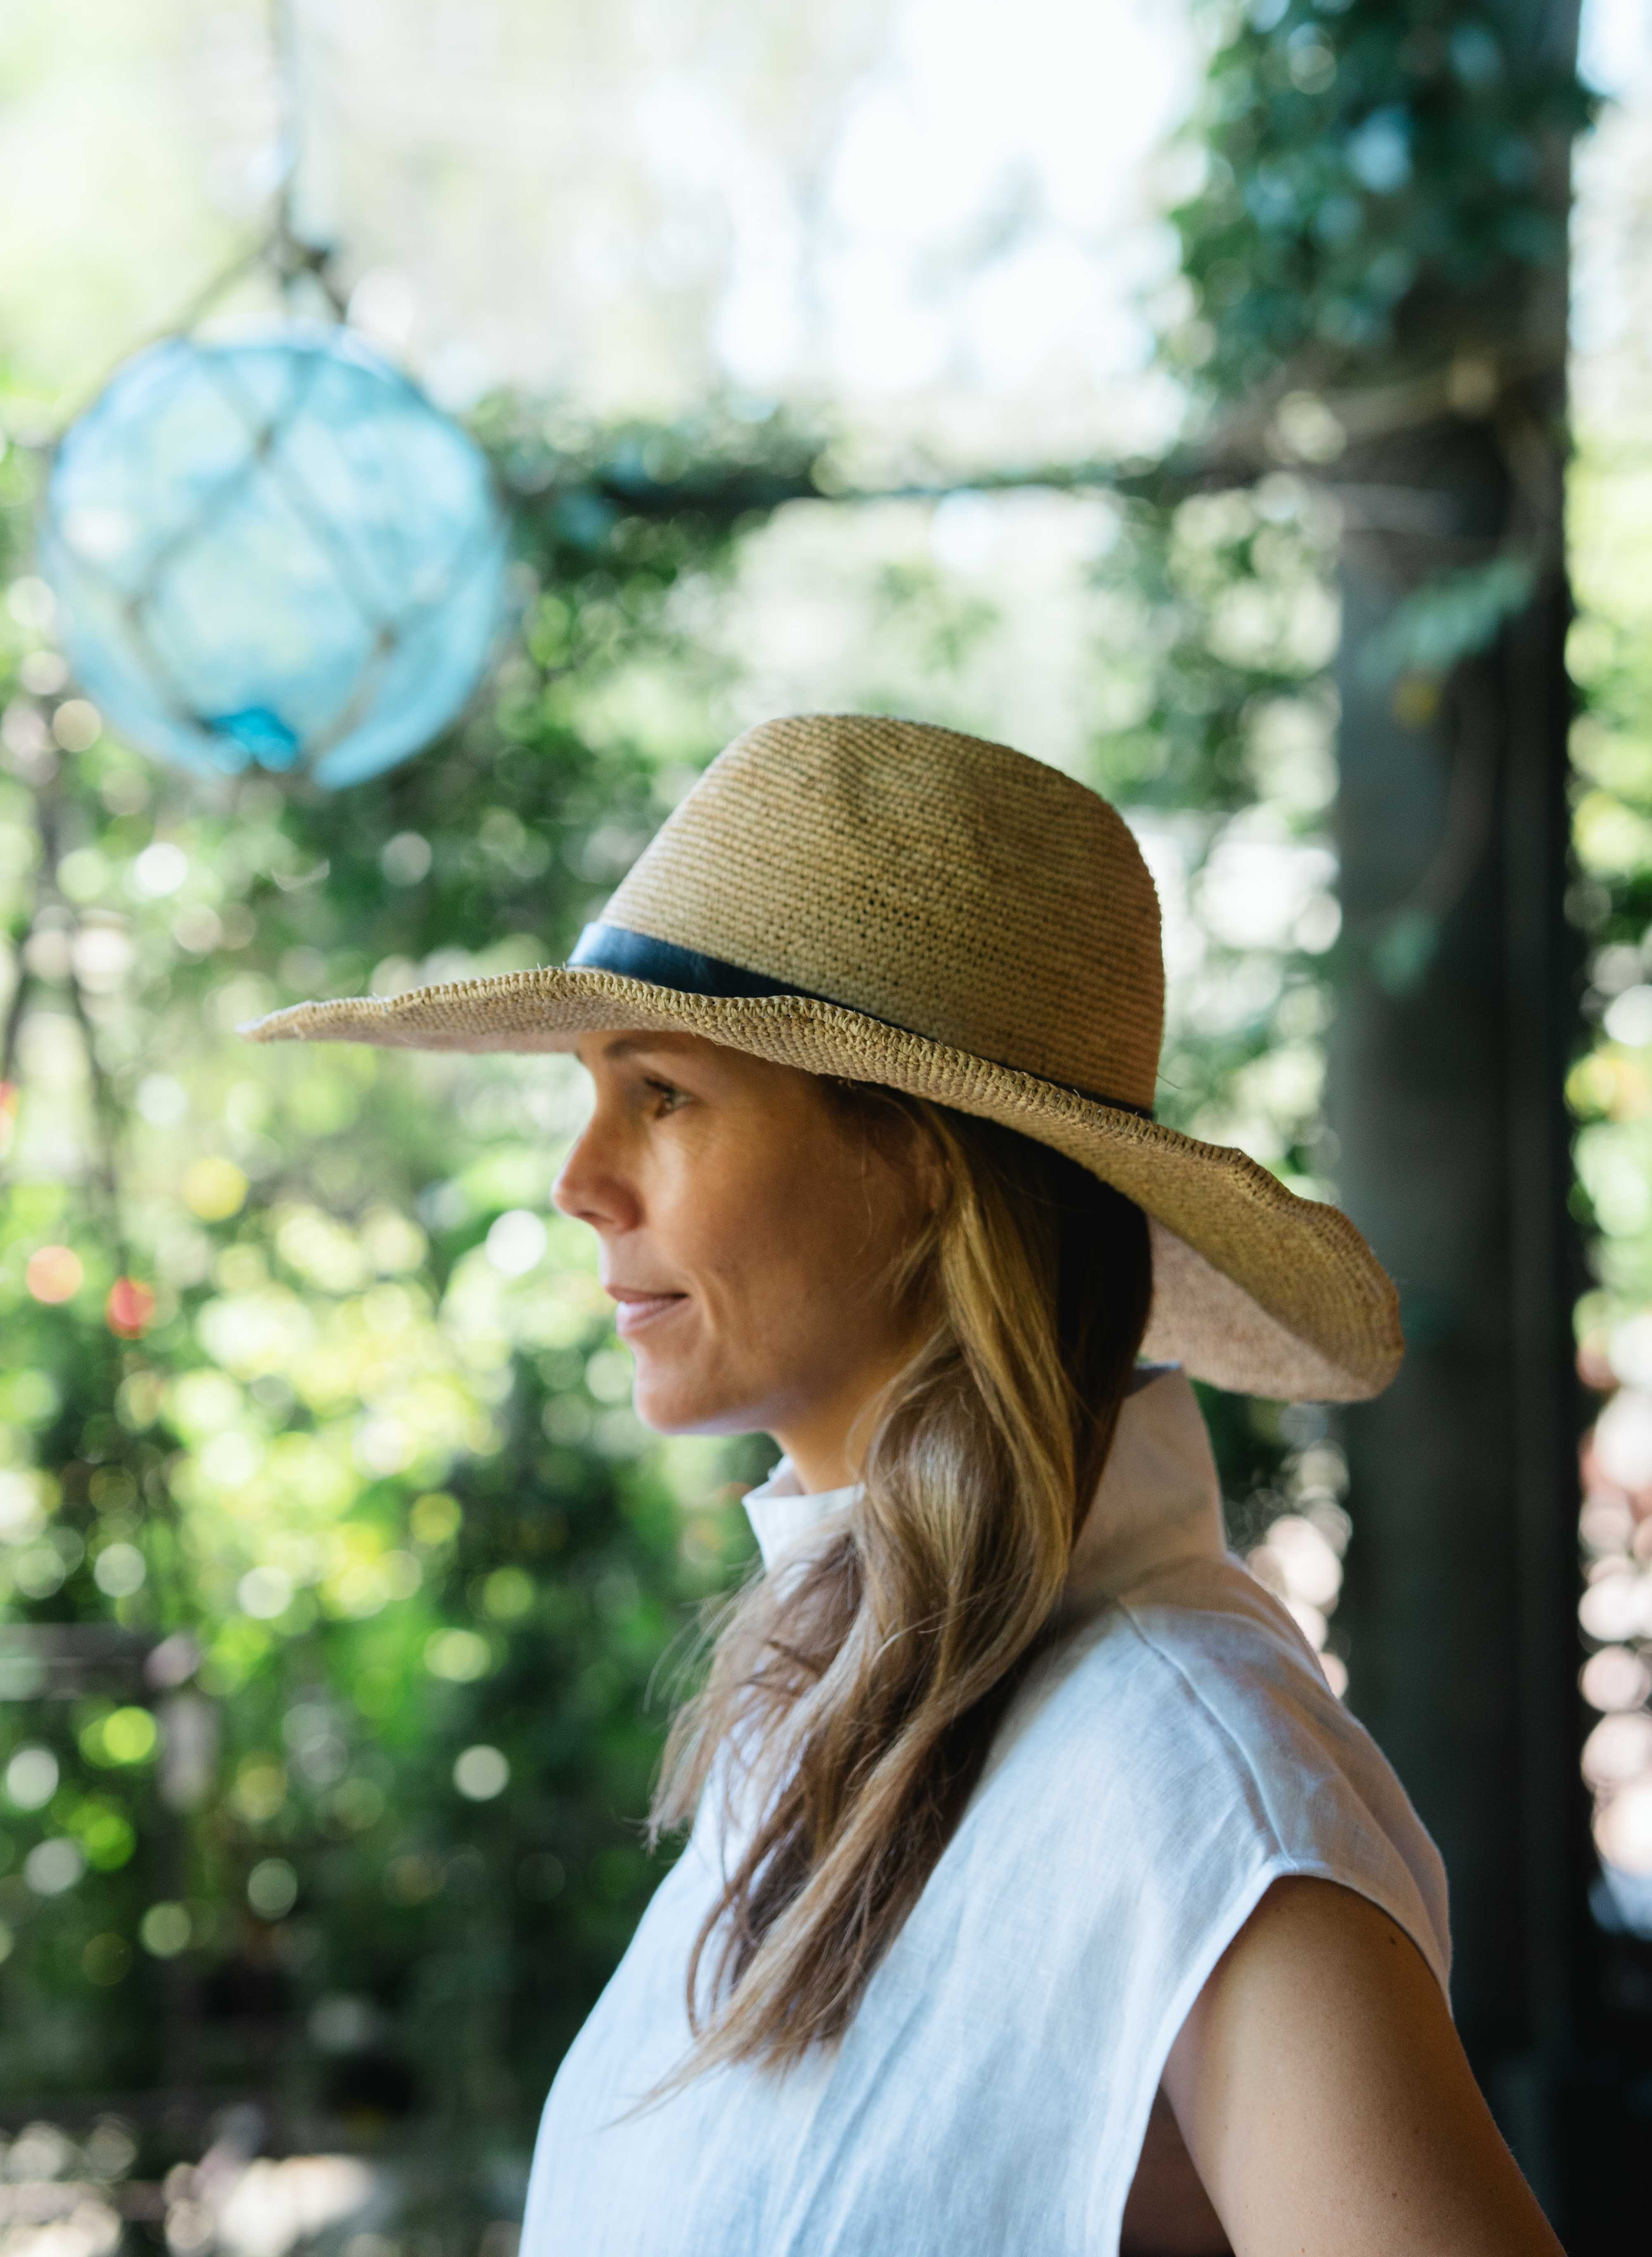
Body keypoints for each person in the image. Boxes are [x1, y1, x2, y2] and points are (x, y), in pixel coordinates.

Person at [251, 714, 1562, 2257]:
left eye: (662, 1093)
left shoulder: (1196, 1781)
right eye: (593, 1092)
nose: (579, 1180)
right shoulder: (833, 1709)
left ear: (924, 1158)